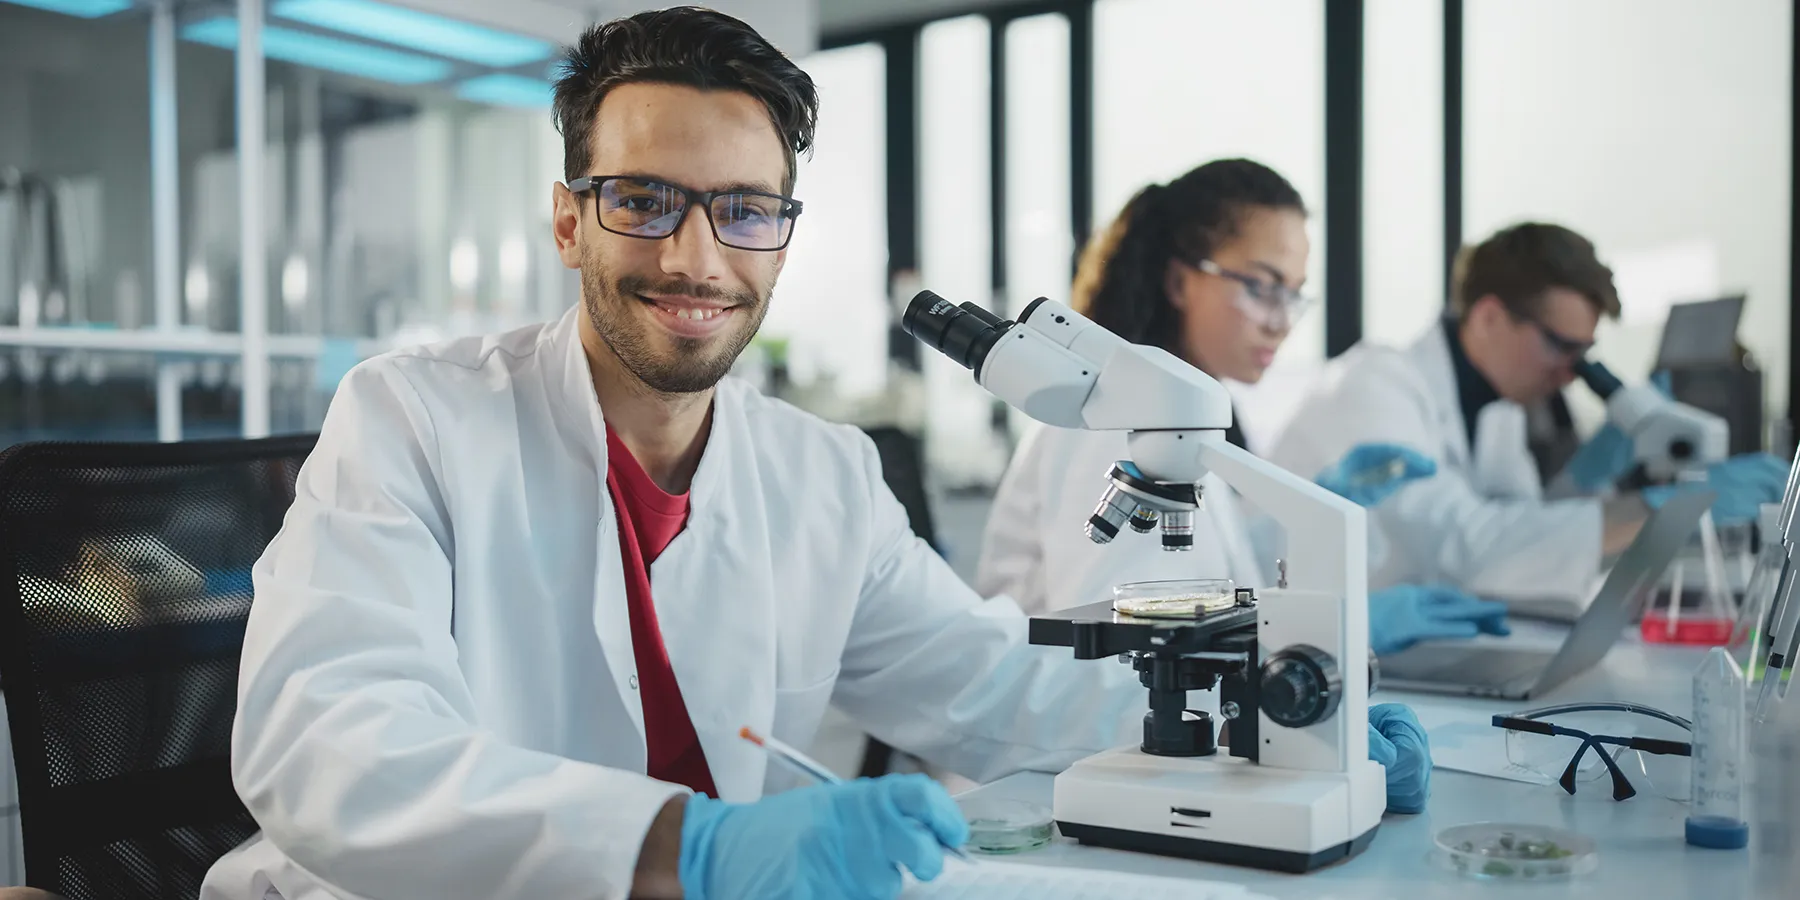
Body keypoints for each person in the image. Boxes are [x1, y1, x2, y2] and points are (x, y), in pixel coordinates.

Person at [197, 11, 1431, 900]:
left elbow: (992, 688)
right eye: (642, 200)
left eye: (744, 209)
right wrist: (695, 849)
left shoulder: (820, 475)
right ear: (568, 217)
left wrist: (1261, 725)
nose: (696, 258)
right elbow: (327, 740)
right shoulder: (413, 418)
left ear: (782, 235)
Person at [976, 159, 1509, 657]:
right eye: (1262, 287)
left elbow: (1206, 575)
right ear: (1180, 281)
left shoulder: (1186, 414)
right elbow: (1118, 643)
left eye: (1294, 294)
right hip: (1052, 745)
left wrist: (1306, 518)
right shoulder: (1110, 422)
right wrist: (1332, 630)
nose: (1282, 322)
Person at [1267, 222, 1788, 603]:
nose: (1569, 373)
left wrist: (1586, 483)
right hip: (1301, 643)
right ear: (1491, 316)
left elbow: (1523, 528)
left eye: (1582, 355)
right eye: (1561, 347)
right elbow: (1473, 549)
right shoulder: (1377, 384)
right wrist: (1666, 507)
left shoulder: (1501, 410)